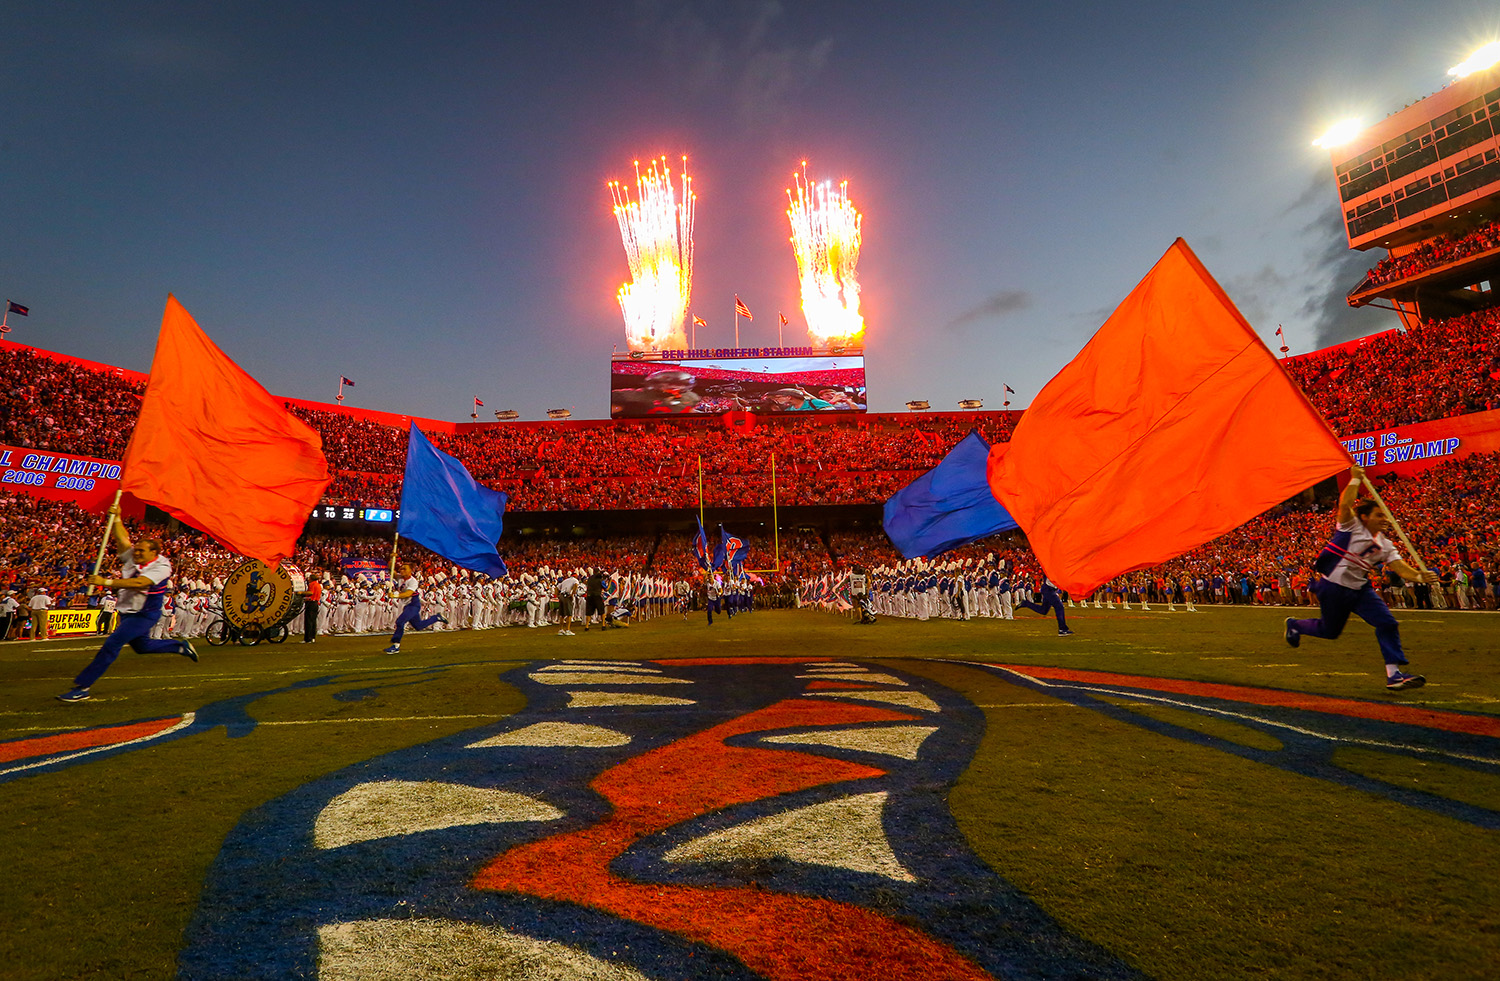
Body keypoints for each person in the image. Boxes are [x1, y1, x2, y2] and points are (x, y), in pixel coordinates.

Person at [1284, 464, 1439, 691]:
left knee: (1387, 622)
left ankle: (1394, 675)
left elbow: (1400, 567)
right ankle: (1295, 625)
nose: (1384, 519)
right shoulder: (1351, 527)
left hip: (1360, 590)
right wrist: (1355, 479)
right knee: (1330, 632)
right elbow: (1345, 504)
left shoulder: (1385, 544)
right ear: (1364, 517)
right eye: (1379, 515)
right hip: (1334, 587)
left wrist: (1419, 576)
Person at [57, 506, 199, 702]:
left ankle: (83, 687)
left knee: (112, 643)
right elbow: (123, 541)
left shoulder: (162, 566)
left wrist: (105, 582)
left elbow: (140, 582)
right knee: (143, 647)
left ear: (154, 553)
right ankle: (179, 647)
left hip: (144, 614)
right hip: (127, 612)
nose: (137, 553)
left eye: (141, 550)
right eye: (137, 549)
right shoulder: (135, 557)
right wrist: (116, 518)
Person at [383, 563, 447, 654]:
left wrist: (394, 595)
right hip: (407, 605)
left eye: (404, 569)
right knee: (418, 626)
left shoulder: (413, 581)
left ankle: (396, 645)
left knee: (400, 622)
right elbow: (392, 571)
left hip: (413, 604)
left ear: (410, 571)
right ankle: (436, 618)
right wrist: (391, 561)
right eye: (401, 569)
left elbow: (408, 593)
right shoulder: (401, 578)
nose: (401, 570)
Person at [1016, 572, 1073, 636]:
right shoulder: (1050, 568)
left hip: (1049, 589)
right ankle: (1062, 629)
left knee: (1044, 610)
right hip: (1048, 589)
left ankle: (1026, 603)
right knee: (1059, 607)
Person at [300, 574, 323, 643]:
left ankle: (308, 638)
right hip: (316, 603)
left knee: (308, 621)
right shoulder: (318, 585)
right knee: (313, 621)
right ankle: (312, 637)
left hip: (311, 603)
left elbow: (310, 592)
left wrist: (302, 593)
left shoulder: (312, 584)